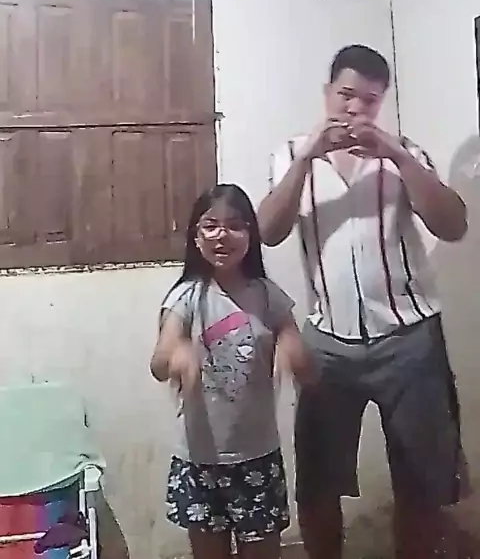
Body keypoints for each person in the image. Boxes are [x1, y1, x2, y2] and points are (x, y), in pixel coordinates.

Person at [257, 44, 469, 559]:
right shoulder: (291, 155)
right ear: (327, 92)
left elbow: (453, 225)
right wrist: (307, 157)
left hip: (410, 341)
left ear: (382, 103)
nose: (355, 109)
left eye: (369, 101)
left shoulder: (405, 154)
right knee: (317, 484)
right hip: (327, 343)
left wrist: (397, 155)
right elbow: (267, 231)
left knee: (420, 481)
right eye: (346, 95)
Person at [150, 184, 311, 559]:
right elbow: (159, 362)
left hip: (257, 456)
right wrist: (177, 355)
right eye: (211, 226)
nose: (222, 235)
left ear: (251, 236)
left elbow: (295, 344)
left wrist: (291, 345)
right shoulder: (186, 296)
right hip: (199, 460)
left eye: (235, 225)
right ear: (196, 237)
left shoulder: (267, 294)